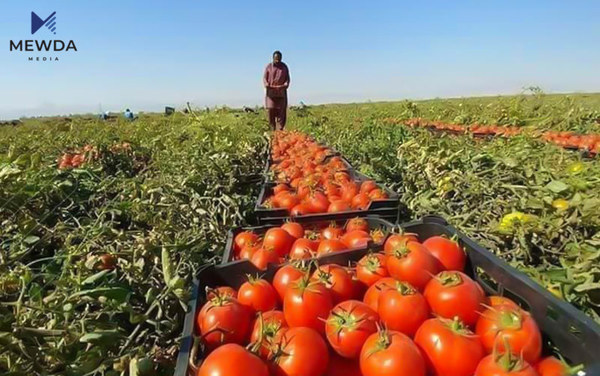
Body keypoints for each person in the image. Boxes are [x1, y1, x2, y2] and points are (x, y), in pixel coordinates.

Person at [263, 50, 290, 130]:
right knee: (271, 110)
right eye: (276, 59)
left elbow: (287, 80)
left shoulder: (284, 67)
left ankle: (280, 130)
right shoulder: (268, 67)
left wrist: (284, 85)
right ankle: (272, 129)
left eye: (279, 59)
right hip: (271, 94)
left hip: (281, 93)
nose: (277, 60)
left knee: (281, 113)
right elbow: (265, 78)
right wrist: (267, 85)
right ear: (273, 58)